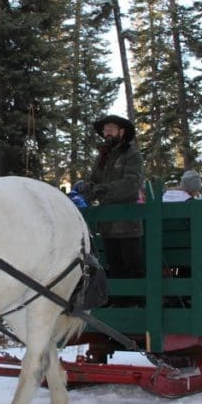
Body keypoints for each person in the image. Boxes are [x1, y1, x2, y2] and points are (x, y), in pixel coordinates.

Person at [76, 114, 145, 286]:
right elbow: (94, 180)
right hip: (107, 223)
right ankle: (120, 302)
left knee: (132, 264)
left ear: (121, 132)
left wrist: (105, 189)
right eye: (105, 130)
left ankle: (136, 303)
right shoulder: (102, 157)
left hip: (127, 221)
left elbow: (131, 184)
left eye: (111, 129)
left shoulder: (132, 155)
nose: (107, 132)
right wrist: (88, 188)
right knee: (113, 265)